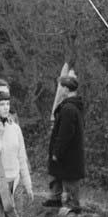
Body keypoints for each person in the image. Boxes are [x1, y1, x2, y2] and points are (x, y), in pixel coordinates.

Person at [45, 76, 84, 209]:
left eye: (60, 87)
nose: (59, 90)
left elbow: (65, 134)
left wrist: (57, 152)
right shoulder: (70, 106)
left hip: (69, 154)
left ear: (66, 89)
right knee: (57, 175)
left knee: (70, 181)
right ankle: (55, 200)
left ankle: (72, 208)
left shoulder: (69, 109)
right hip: (67, 154)